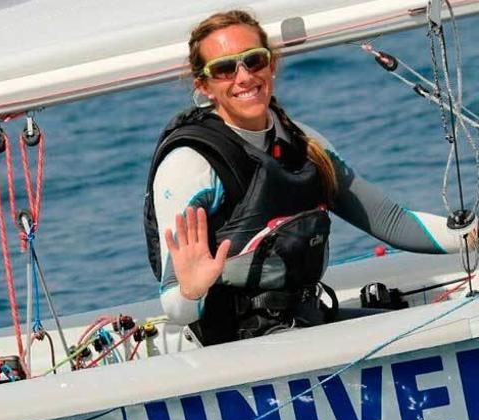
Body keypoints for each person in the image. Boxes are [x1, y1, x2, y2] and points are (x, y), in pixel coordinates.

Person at [143, 10, 470, 346]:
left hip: (307, 323)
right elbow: (175, 305)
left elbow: (392, 221)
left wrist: (471, 236)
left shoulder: (303, 144)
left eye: (253, 61)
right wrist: (192, 290)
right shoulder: (189, 164)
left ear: (271, 65)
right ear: (204, 85)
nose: (243, 77)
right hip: (236, 351)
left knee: (440, 331)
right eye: (225, 69)